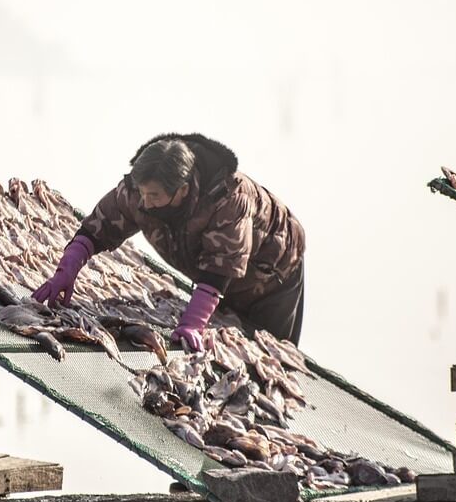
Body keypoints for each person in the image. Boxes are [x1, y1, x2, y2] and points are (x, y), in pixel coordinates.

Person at [32, 133, 306, 349]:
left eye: (154, 196)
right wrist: (65, 270)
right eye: (142, 193)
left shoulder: (228, 197)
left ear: (182, 191)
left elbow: (219, 269)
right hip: (216, 278)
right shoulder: (138, 190)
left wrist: (193, 323)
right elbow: (96, 229)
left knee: (266, 356)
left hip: (272, 277)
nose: (144, 202)